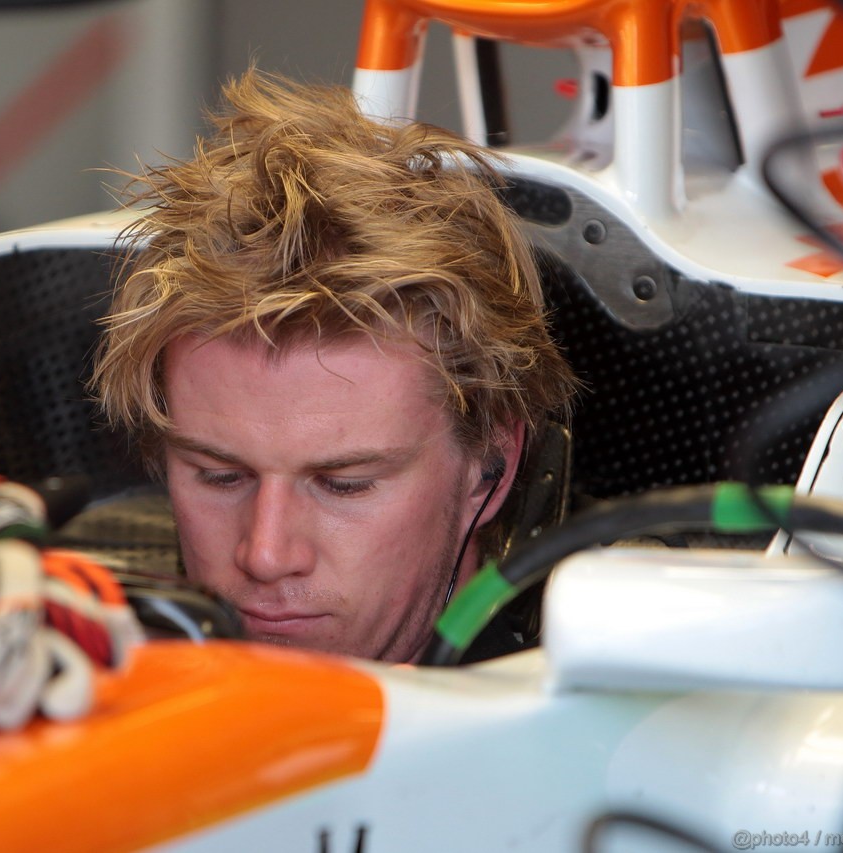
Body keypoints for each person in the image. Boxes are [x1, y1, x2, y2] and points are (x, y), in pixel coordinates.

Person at [90, 71, 576, 664]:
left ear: (491, 466)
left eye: (345, 485)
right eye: (219, 475)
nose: (265, 555)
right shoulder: (62, 636)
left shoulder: (610, 722)